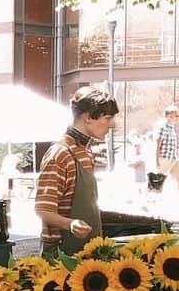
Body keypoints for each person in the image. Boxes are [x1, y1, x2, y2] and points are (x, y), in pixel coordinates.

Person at [34, 85, 119, 254]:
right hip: (62, 256)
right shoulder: (60, 154)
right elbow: (43, 209)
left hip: (87, 252)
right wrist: (70, 224)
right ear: (88, 117)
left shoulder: (85, 152)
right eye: (108, 118)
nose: (113, 125)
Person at [155, 104, 179, 208]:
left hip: (174, 159)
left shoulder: (173, 129)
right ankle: (152, 203)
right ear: (167, 116)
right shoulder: (162, 128)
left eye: (175, 116)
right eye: (171, 116)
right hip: (164, 159)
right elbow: (157, 146)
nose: (173, 118)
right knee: (158, 182)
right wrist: (157, 161)